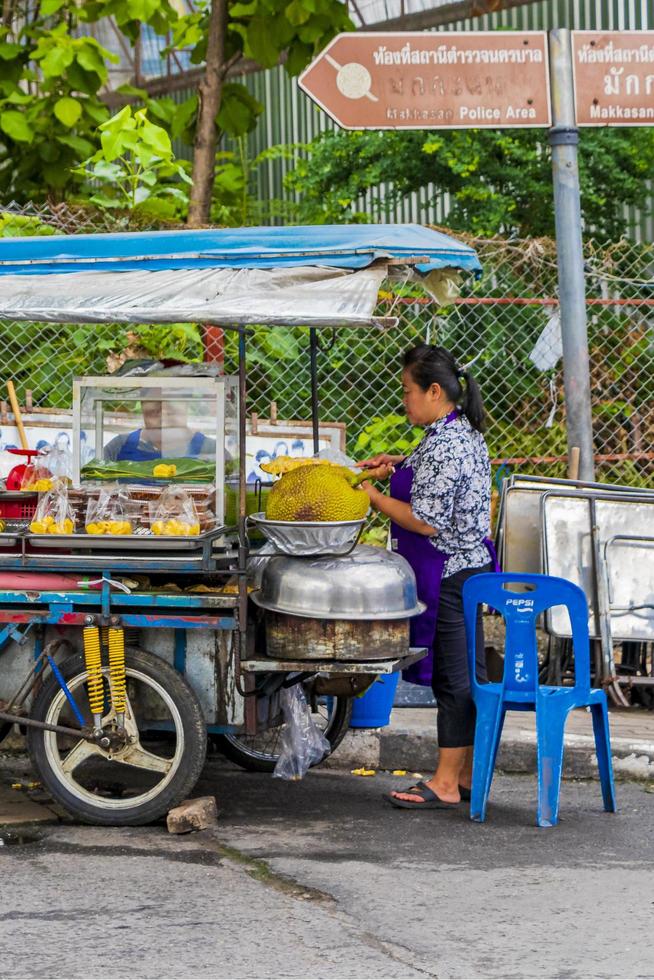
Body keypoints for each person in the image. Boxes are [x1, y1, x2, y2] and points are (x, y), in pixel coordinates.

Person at [358, 344, 499, 810]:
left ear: (434, 391)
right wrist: (400, 463)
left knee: (454, 680)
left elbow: (425, 520)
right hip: (469, 569)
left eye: (408, 391)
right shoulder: (453, 433)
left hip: (451, 574)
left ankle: (444, 783)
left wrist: (373, 496)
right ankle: (465, 778)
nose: (405, 401)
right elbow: (435, 475)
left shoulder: (446, 444)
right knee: (466, 677)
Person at [104, 395, 215, 462]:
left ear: (186, 406)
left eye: (171, 411)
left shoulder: (211, 450)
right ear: (143, 408)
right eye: (155, 411)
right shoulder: (119, 447)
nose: (163, 417)